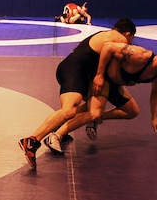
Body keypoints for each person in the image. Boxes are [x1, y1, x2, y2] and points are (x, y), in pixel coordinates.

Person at [18, 18, 136, 169]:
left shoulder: (105, 34)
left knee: (85, 109)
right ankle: (32, 141)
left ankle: (58, 129)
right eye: (131, 40)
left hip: (75, 71)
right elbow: (111, 54)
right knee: (69, 110)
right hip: (74, 71)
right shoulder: (119, 39)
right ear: (128, 34)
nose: (130, 45)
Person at [43, 44, 157, 153]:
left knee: (132, 111)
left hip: (115, 84)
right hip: (103, 79)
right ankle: (56, 136)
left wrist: (154, 117)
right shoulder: (140, 55)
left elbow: (156, 93)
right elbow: (108, 46)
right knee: (94, 112)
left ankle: (66, 123)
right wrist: (99, 75)